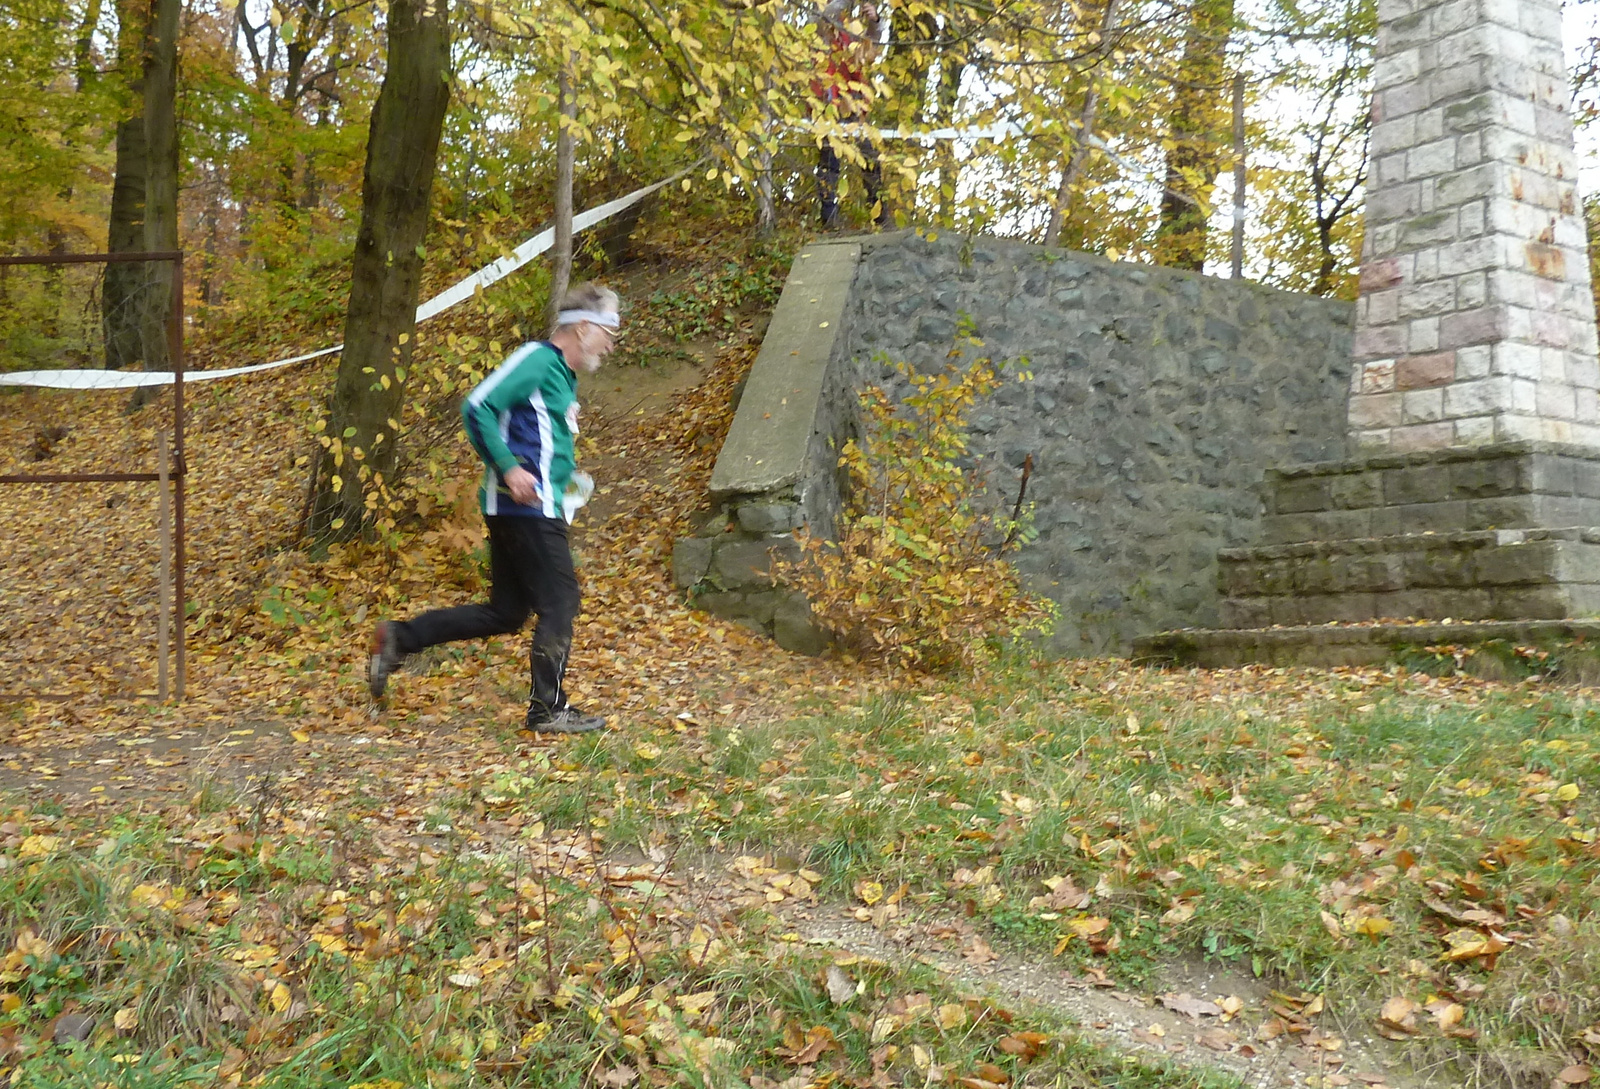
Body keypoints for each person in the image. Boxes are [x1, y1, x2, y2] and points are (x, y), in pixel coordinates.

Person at [367, 282, 620, 733]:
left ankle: (398, 639)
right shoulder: (537, 359)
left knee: (506, 612)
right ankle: (548, 709)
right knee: (561, 602)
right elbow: (478, 406)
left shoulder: (561, 374)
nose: (611, 342)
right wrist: (508, 468)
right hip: (525, 507)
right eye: (608, 330)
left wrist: (567, 476)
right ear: (583, 327)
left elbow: (536, 435)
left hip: (533, 506)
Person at [814, 0, 886, 228]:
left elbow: (870, 47)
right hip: (828, 103)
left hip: (853, 104)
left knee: (869, 159)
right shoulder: (819, 23)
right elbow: (823, 16)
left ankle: (880, 215)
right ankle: (829, 218)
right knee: (829, 161)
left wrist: (875, 20)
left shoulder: (850, 28)